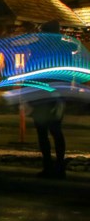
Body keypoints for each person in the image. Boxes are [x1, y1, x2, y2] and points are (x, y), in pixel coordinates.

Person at [29, 21, 69, 178]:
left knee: (43, 132)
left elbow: (32, 71)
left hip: (40, 94)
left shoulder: (38, 48)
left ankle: (48, 165)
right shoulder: (64, 49)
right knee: (56, 130)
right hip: (57, 93)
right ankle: (59, 165)